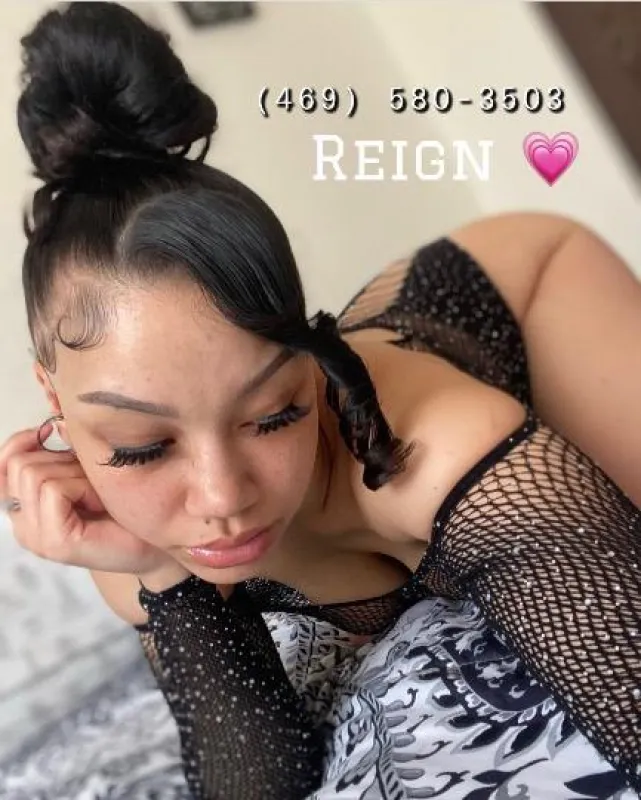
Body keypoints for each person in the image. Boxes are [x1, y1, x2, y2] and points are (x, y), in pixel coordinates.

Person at [1, 3, 639, 798]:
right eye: (142, 448)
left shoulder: (444, 443)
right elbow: (256, 783)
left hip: (528, 283)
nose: (222, 498)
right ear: (54, 402)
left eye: (273, 415)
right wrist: (166, 577)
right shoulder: (125, 540)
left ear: (310, 363)